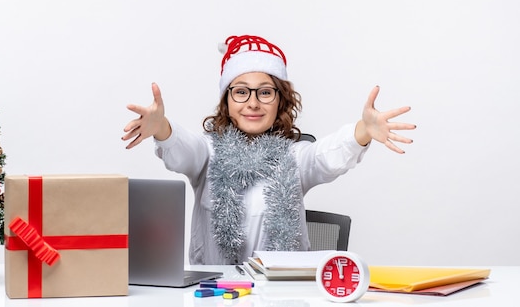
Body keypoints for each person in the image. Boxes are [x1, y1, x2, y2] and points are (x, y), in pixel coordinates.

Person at [122, 34, 415, 265]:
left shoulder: (295, 156)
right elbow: (183, 148)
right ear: (227, 101)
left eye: (265, 92)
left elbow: (327, 156)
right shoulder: (207, 153)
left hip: (283, 294)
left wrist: (363, 130)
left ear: (280, 101)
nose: (253, 103)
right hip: (215, 294)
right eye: (241, 91)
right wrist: (161, 127)